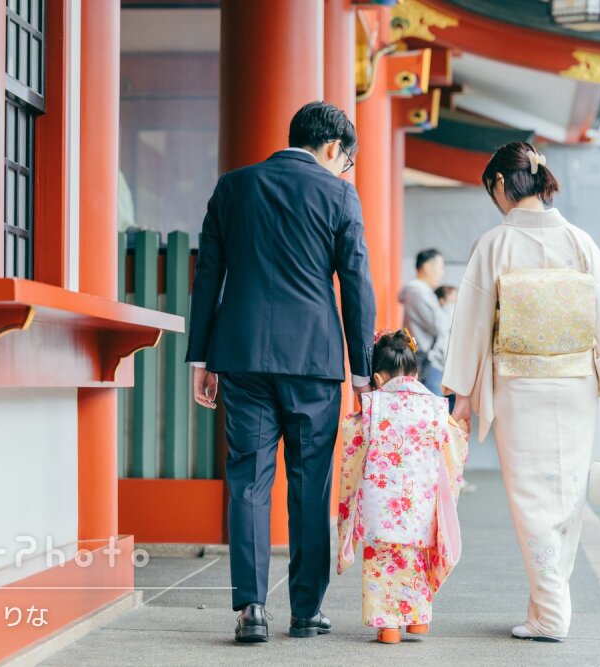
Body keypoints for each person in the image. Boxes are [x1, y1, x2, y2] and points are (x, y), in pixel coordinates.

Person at [184, 102, 377, 643]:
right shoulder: (339, 194)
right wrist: (363, 372)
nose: (346, 171)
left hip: (240, 355)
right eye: (348, 160)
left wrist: (201, 358)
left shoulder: (233, 187)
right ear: (334, 148)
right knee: (310, 483)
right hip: (314, 361)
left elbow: (208, 277)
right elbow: (356, 282)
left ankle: (250, 609)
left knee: (248, 478)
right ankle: (307, 610)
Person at [442, 142, 600, 643]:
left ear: (501, 184)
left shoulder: (495, 245)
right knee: (565, 494)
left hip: (520, 385)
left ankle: (550, 612)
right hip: (575, 383)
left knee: (531, 498)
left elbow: (473, 322)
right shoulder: (580, 242)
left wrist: (461, 394)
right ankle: (545, 602)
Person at [336, 329, 468, 644]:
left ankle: (389, 627)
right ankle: (418, 620)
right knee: (416, 558)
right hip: (421, 504)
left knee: (383, 561)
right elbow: (455, 446)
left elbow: (352, 440)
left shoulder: (371, 406)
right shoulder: (437, 407)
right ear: (415, 372)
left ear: (378, 378)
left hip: (381, 506)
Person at [398, 249, 451, 396]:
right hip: (428, 363)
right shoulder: (418, 292)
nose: (442, 273)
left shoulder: (422, 291)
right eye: (441, 267)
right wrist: (449, 307)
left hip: (428, 362)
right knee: (433, 414)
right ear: (427, 267)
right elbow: (439, 325)